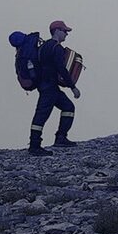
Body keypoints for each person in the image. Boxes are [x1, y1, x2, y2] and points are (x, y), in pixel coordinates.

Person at [28, 20, 82, 156]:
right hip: (50, 87)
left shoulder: (43, 46)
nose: (66, 34)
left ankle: (61, 137)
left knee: (68, 107)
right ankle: (34, 145)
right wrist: (73, 87)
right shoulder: (56, 48)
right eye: (65, 31)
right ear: (57, 31)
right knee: (41, 115)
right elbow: (61, 68)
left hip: (45, 85)